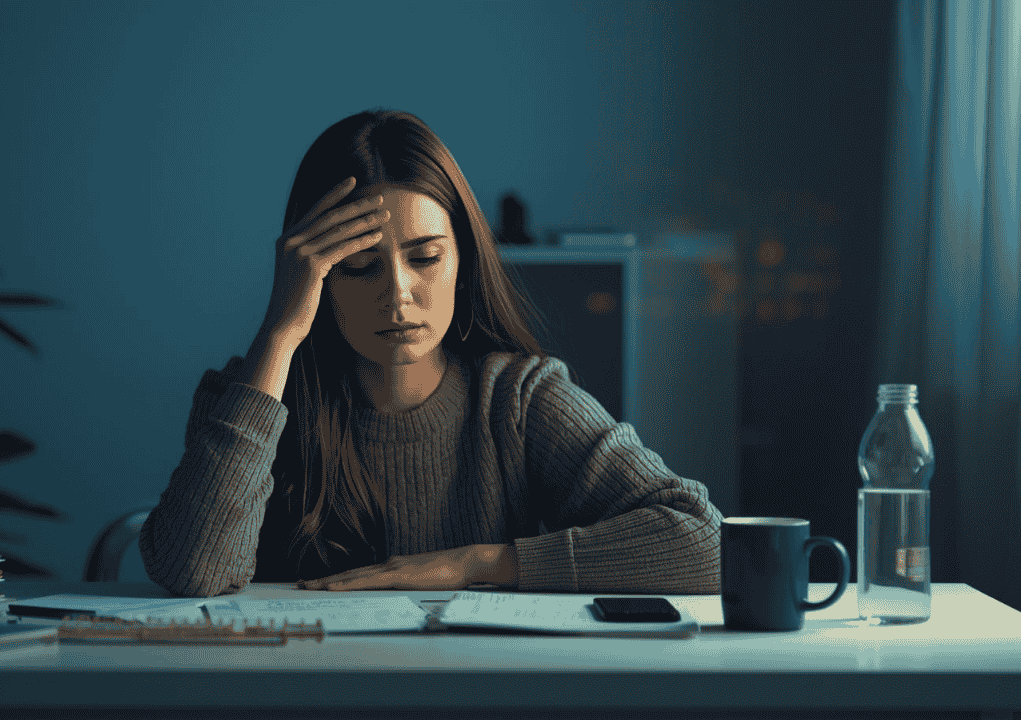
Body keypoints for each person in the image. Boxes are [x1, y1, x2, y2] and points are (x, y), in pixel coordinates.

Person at [139, 109, 722, 598]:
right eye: (359, 267)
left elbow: (707, 542)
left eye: (425, 258)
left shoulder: (518, 399)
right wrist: (278, 334)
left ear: (462, 261)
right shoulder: (251, 398)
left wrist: (478, 563)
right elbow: (193, 572)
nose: (398, 293)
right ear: (318, 277)